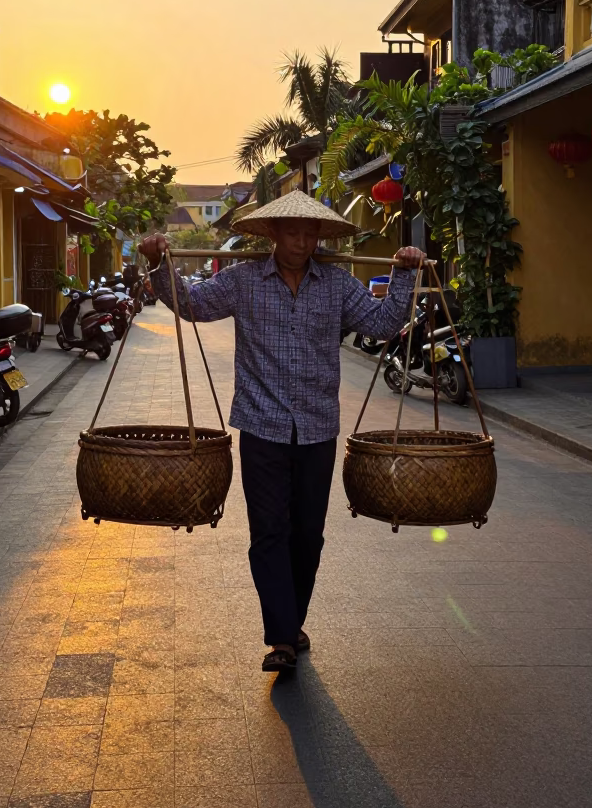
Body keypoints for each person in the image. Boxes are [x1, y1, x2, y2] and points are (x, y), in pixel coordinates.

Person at [139, 189, 425, 672]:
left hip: (317, 428)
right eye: (292, 231)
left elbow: (381, 325)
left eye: (310, 232)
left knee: (308, 535)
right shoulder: (245, 280)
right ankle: (281, 639)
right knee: (269, 531)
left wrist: (405, 272)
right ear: (272, 233)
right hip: (261, 426)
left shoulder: (336, 284)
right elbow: (193, 305)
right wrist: (158, 263)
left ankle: (291, 623)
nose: (301, 241)